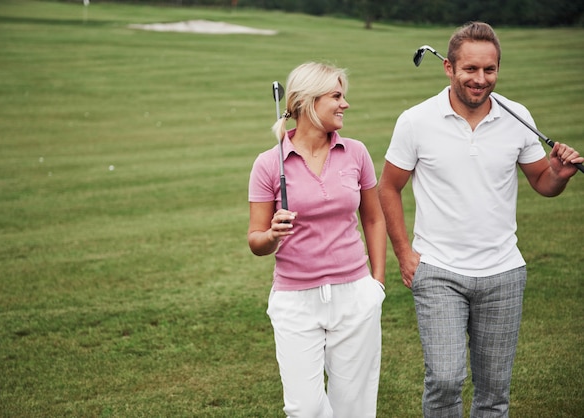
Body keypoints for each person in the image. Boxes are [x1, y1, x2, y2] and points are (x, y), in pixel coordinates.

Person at [378, 21, 583, 417]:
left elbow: (542, 181)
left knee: (493, 393)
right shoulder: (416, 121)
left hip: (503, 273)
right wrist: (404, 253)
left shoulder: (517, 117)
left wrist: (558, 174)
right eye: (470, 69)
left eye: (489, 70)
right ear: (449, 68)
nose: (480, 79)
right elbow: (387, 187)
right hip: (438, 270)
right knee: (445, 379)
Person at [248, 62, 387, 417]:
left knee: (354, 406)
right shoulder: (268, 163)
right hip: (295, 299)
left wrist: (377, 284)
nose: (345, 104)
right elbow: (256, 240)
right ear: (308, 101)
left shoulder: (356, 152)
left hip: (355, 293)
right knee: (304, 408)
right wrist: (272, 234)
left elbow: (373, 218)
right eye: (336, 96)